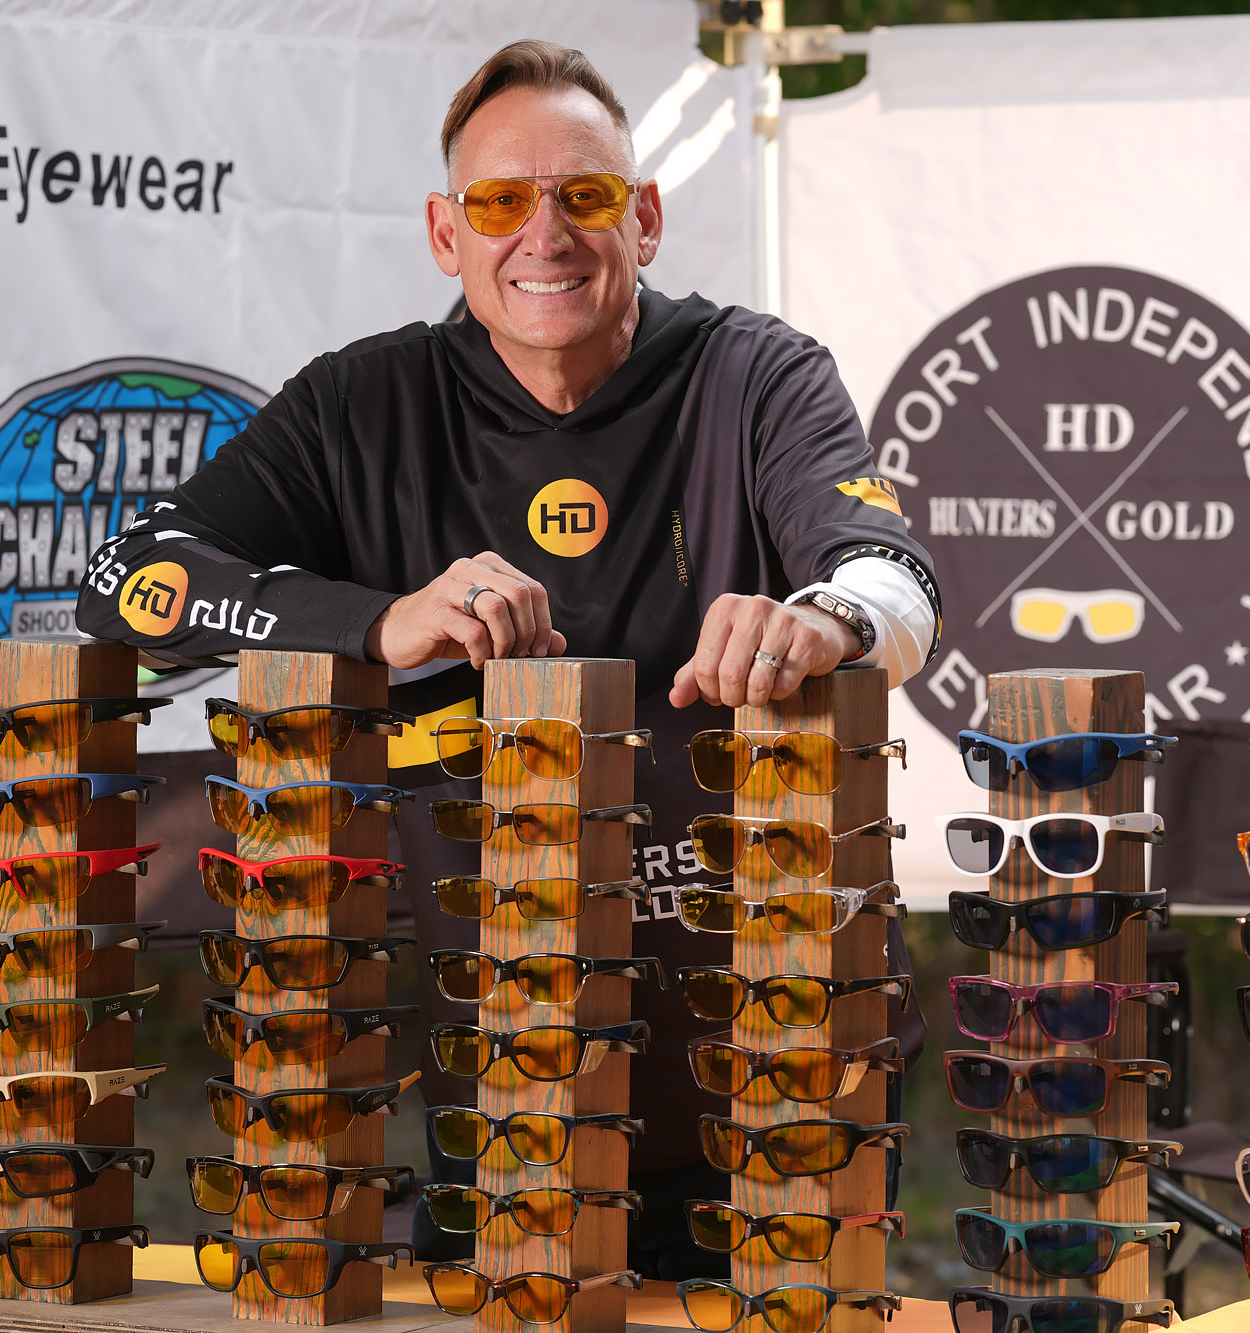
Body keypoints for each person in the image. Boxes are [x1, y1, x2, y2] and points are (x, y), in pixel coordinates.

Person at [77, 38, 940, 1279]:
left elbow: (892, 577)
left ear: (643, 217)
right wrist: (376, 621)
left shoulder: (755, 373)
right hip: (503, 1094)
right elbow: (124, 582)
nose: (544, 234)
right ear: (447, 232)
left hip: (786, 1086)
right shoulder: (360, 406)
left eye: (583, 194)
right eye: (498, 202)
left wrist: (826, 619)